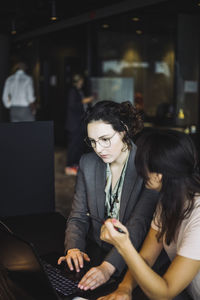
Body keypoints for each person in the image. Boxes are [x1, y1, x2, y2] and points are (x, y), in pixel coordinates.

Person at [58, 100, 159, 291]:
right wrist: (74, 248)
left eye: (105, 139)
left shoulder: (148, 166)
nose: (98, 149)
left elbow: (138, 226)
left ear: (124, 131)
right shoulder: (88, 163)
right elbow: (78, 216)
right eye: (93, 142)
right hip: (95, 252)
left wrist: (107, 268)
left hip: (135, 262)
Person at [99, 129, 200, 300]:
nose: (139, 172)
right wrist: (125, 288)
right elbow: (146, 257)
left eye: (142, 166)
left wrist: (124, 245)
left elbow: (165, 292)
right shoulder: (169, 201)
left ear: (159, 175)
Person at [64, 73, 93, 176]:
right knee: (73, 146)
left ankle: (75, 165)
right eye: (81, 80)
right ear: (77, 81)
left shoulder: (79, 91)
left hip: (79, 122)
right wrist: (86, 100)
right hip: (73, 123)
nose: (82, 82)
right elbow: (73, 105)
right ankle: (69, 166)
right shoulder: (72, 91)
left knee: (79, 145)